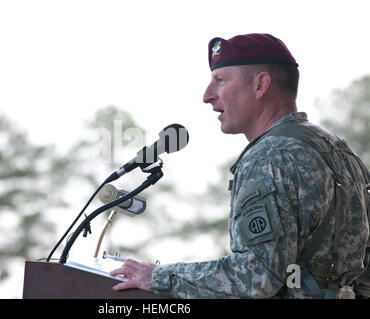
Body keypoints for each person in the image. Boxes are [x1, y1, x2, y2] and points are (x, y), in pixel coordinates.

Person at [110, 33, 370, 298]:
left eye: (220, 80)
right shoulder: (340, 151)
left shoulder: (269, 156)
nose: (207, 96)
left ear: (260, 84)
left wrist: (158, 276)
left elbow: (257, 277)